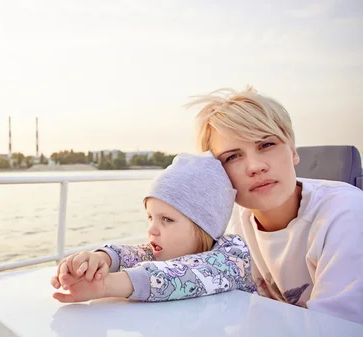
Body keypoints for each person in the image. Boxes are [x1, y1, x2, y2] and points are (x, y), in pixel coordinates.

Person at [55, 86, 363, 325]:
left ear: (292, 149)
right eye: (232, 156)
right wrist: (103, 259)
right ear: (219, 175)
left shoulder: (344, 216)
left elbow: (336, 328)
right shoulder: (230, 221)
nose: (254, 166)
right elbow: (179, 259)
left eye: (266, 144)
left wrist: (116, 284)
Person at [50, 151, 257, 303]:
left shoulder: (233, 256)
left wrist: (107, 286)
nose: (152, 229)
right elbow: (133, 254)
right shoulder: (165, 252)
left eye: (166, 219)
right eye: (150, 217)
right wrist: (99, 260)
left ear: (205, 226)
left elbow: (183, 274)